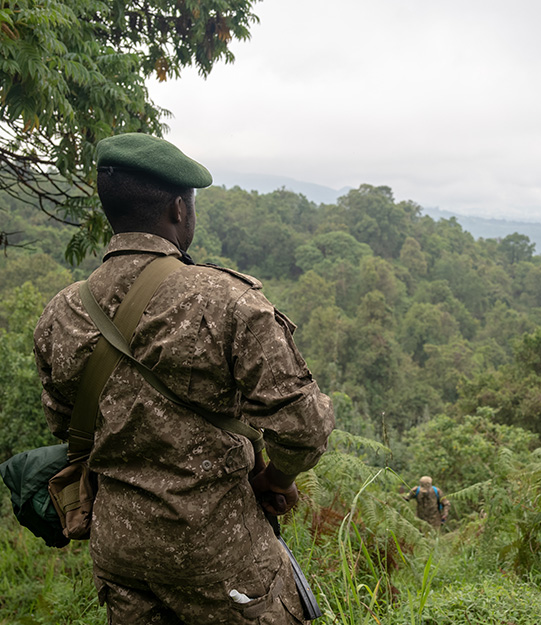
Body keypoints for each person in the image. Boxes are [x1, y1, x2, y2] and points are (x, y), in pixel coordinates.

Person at [33, 133, 334, 625]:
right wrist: (276, 479)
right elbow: (304, 426)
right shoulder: (226, 299)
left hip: (120, 553)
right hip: (219, 550)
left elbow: (64, 427)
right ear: (178, 208)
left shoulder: (59, 313)